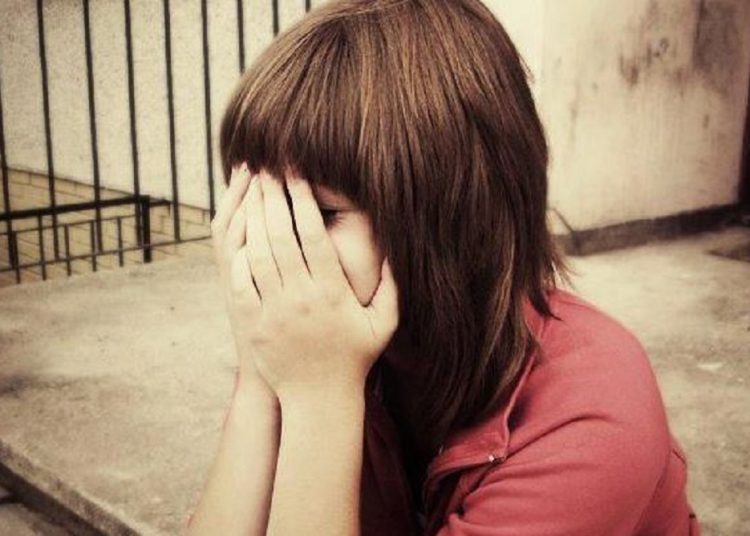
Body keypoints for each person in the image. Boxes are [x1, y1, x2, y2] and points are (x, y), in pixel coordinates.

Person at [185, 0, 700, 534]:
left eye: (320, 212)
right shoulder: (329, 344)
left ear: (445, 214)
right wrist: (259, 379)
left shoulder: (591, 418)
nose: (263, 244)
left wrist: (320, 398)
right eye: (253, 204)